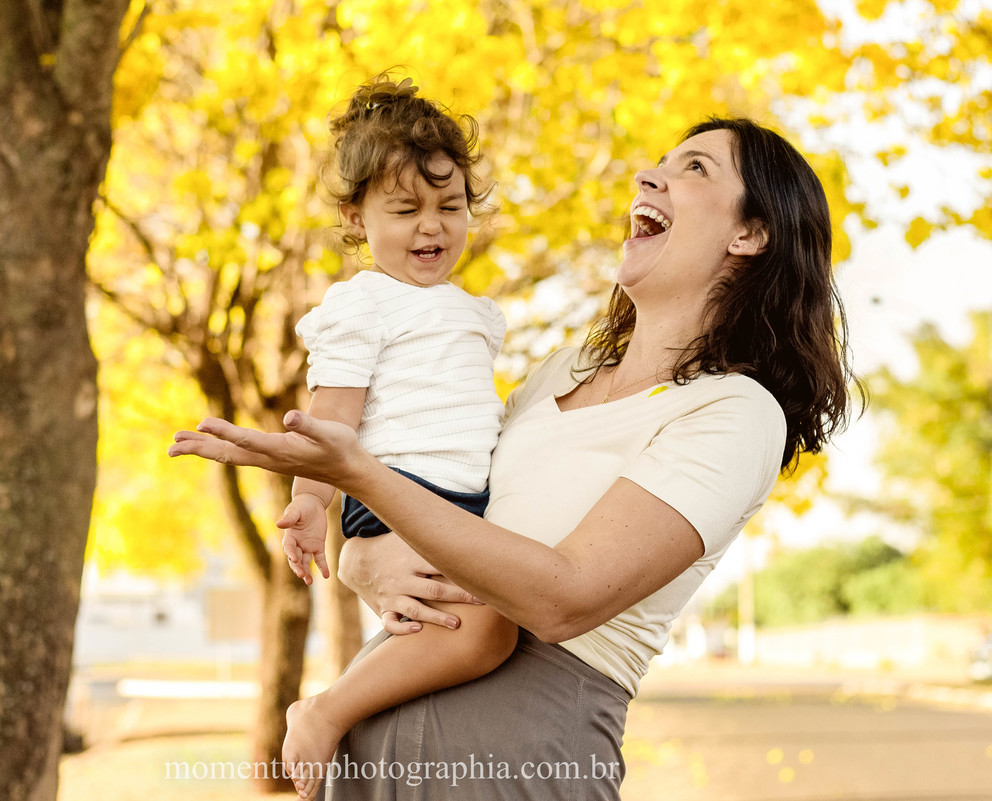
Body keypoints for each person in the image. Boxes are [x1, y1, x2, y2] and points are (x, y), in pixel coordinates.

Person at [170, 116, 857, 800]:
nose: (649, 175)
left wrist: (360, 479)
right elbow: (440, 499)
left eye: (696, 167)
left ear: (750, 233)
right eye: (661, 161)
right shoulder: (564, 369)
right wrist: (359, 558)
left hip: (522, 763)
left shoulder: (735, 411)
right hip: (371, 750)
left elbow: (564, 598)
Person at [270, 74, 517, 800]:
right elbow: (331, 417)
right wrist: (310, 503)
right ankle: (323, 711)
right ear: (356, 217)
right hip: (399, 497)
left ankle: (374, 735)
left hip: (465, 505)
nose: (431, 227)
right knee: (481, 629)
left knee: (460, 629)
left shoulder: (475, 313)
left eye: (450, 206)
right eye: (405, 209)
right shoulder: (362, 305)